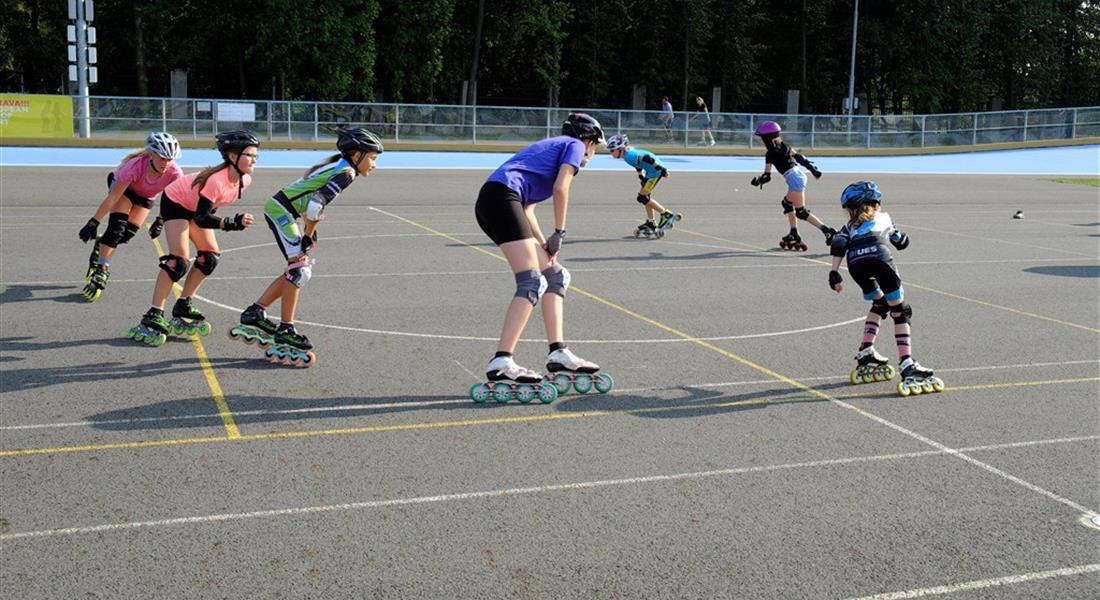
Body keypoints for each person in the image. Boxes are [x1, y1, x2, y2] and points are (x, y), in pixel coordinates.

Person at [471, 113, 606, 400]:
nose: (591, 155)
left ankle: (558, 352)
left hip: (499, 201)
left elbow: (528, 210)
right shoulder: (574, 145)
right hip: (501, 199)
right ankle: (502, 360)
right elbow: (561, 188)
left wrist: (544, 244)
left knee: (556, 275)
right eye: (594, 147)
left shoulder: (551, 148)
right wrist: (560, 231)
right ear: (588, 140)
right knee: (532, 282)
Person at [230, 128, 384, 366]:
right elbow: (314, 206)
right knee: (300, 270)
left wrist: (309, 234)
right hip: (282, 211)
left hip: (284, 209)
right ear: (357, 155)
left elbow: (311, 203)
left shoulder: (341, 166)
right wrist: (308, 233)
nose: (374, 164)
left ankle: (256, 312)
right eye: (373, 158)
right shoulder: (346, 172)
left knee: (297, 268)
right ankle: (285, 329)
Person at [126, 131, 259, 346]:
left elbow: (204, 212)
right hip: (176, 203)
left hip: (195, 207)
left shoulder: (245, 180)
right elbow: (202, 217)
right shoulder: (216, 181)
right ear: (233, 157)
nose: (255, 159)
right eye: (250, 155)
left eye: (256, 155)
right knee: (178, 262)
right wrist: (230, 223)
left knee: (210, 258)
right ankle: (154, 312)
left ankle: (183, 304)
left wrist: (228, 223)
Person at [827, 181, 943, 396]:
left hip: (856, 264)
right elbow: (900, 242)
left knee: (880, 304)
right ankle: (907, 364)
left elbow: (839, 245)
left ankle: (866, 351)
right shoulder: (884, 218)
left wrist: (834, 273)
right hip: (880, 257)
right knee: (901, 311)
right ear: (875, 202)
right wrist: (902, 238)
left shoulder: (849, 227)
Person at [78, 132, 183, 302]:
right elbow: (113, 198)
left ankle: (101, 244)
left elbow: (171, 200)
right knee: (116, 229)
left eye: (170, 159)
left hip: (146, 197)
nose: (166, 163)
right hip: (125, 190)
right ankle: (101, 270)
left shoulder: (175, 174)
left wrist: (161, 220)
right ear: (152, 154)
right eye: (162, 158)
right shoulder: (134, 166)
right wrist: (93, 222)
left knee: (126, 235)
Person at [750, 121, 836, 251]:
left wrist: (757, 181)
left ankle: (828, 231)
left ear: (766, 138)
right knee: (787, 203)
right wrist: (813, 170)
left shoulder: (770, 153)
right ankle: (794, 232)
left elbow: (767, 177)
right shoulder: (785, 146)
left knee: (801, 212)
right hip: (798, 175)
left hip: (794, 179)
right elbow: (800, 158)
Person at [605, 133, 682, 239]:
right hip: (650, 171)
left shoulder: (629, 156)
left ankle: (666, 214)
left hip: (655, 172)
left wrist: (662, 170)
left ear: (620, 149)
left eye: (612, 150)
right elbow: (638, 164)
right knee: (646, 198)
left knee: (642, 197)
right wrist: (641, 175)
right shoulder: (627, 155)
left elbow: (647, 158)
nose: (611, 153)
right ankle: (651, 222)